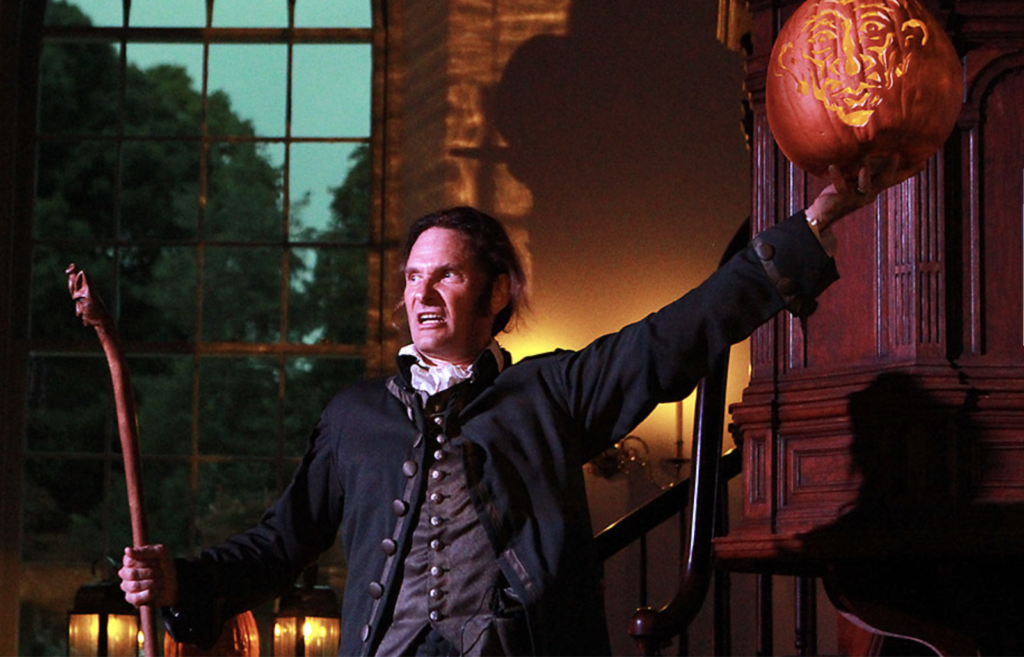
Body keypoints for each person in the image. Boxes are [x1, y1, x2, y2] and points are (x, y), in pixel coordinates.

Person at [120, 161, 904, 656]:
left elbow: (676, 336)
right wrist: (181, 579)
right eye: (411, 278)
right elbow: (279, 539)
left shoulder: (550, 392)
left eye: (446, 277)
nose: (420, 295)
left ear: (496, 293)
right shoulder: (355, 415)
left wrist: (810, 230)